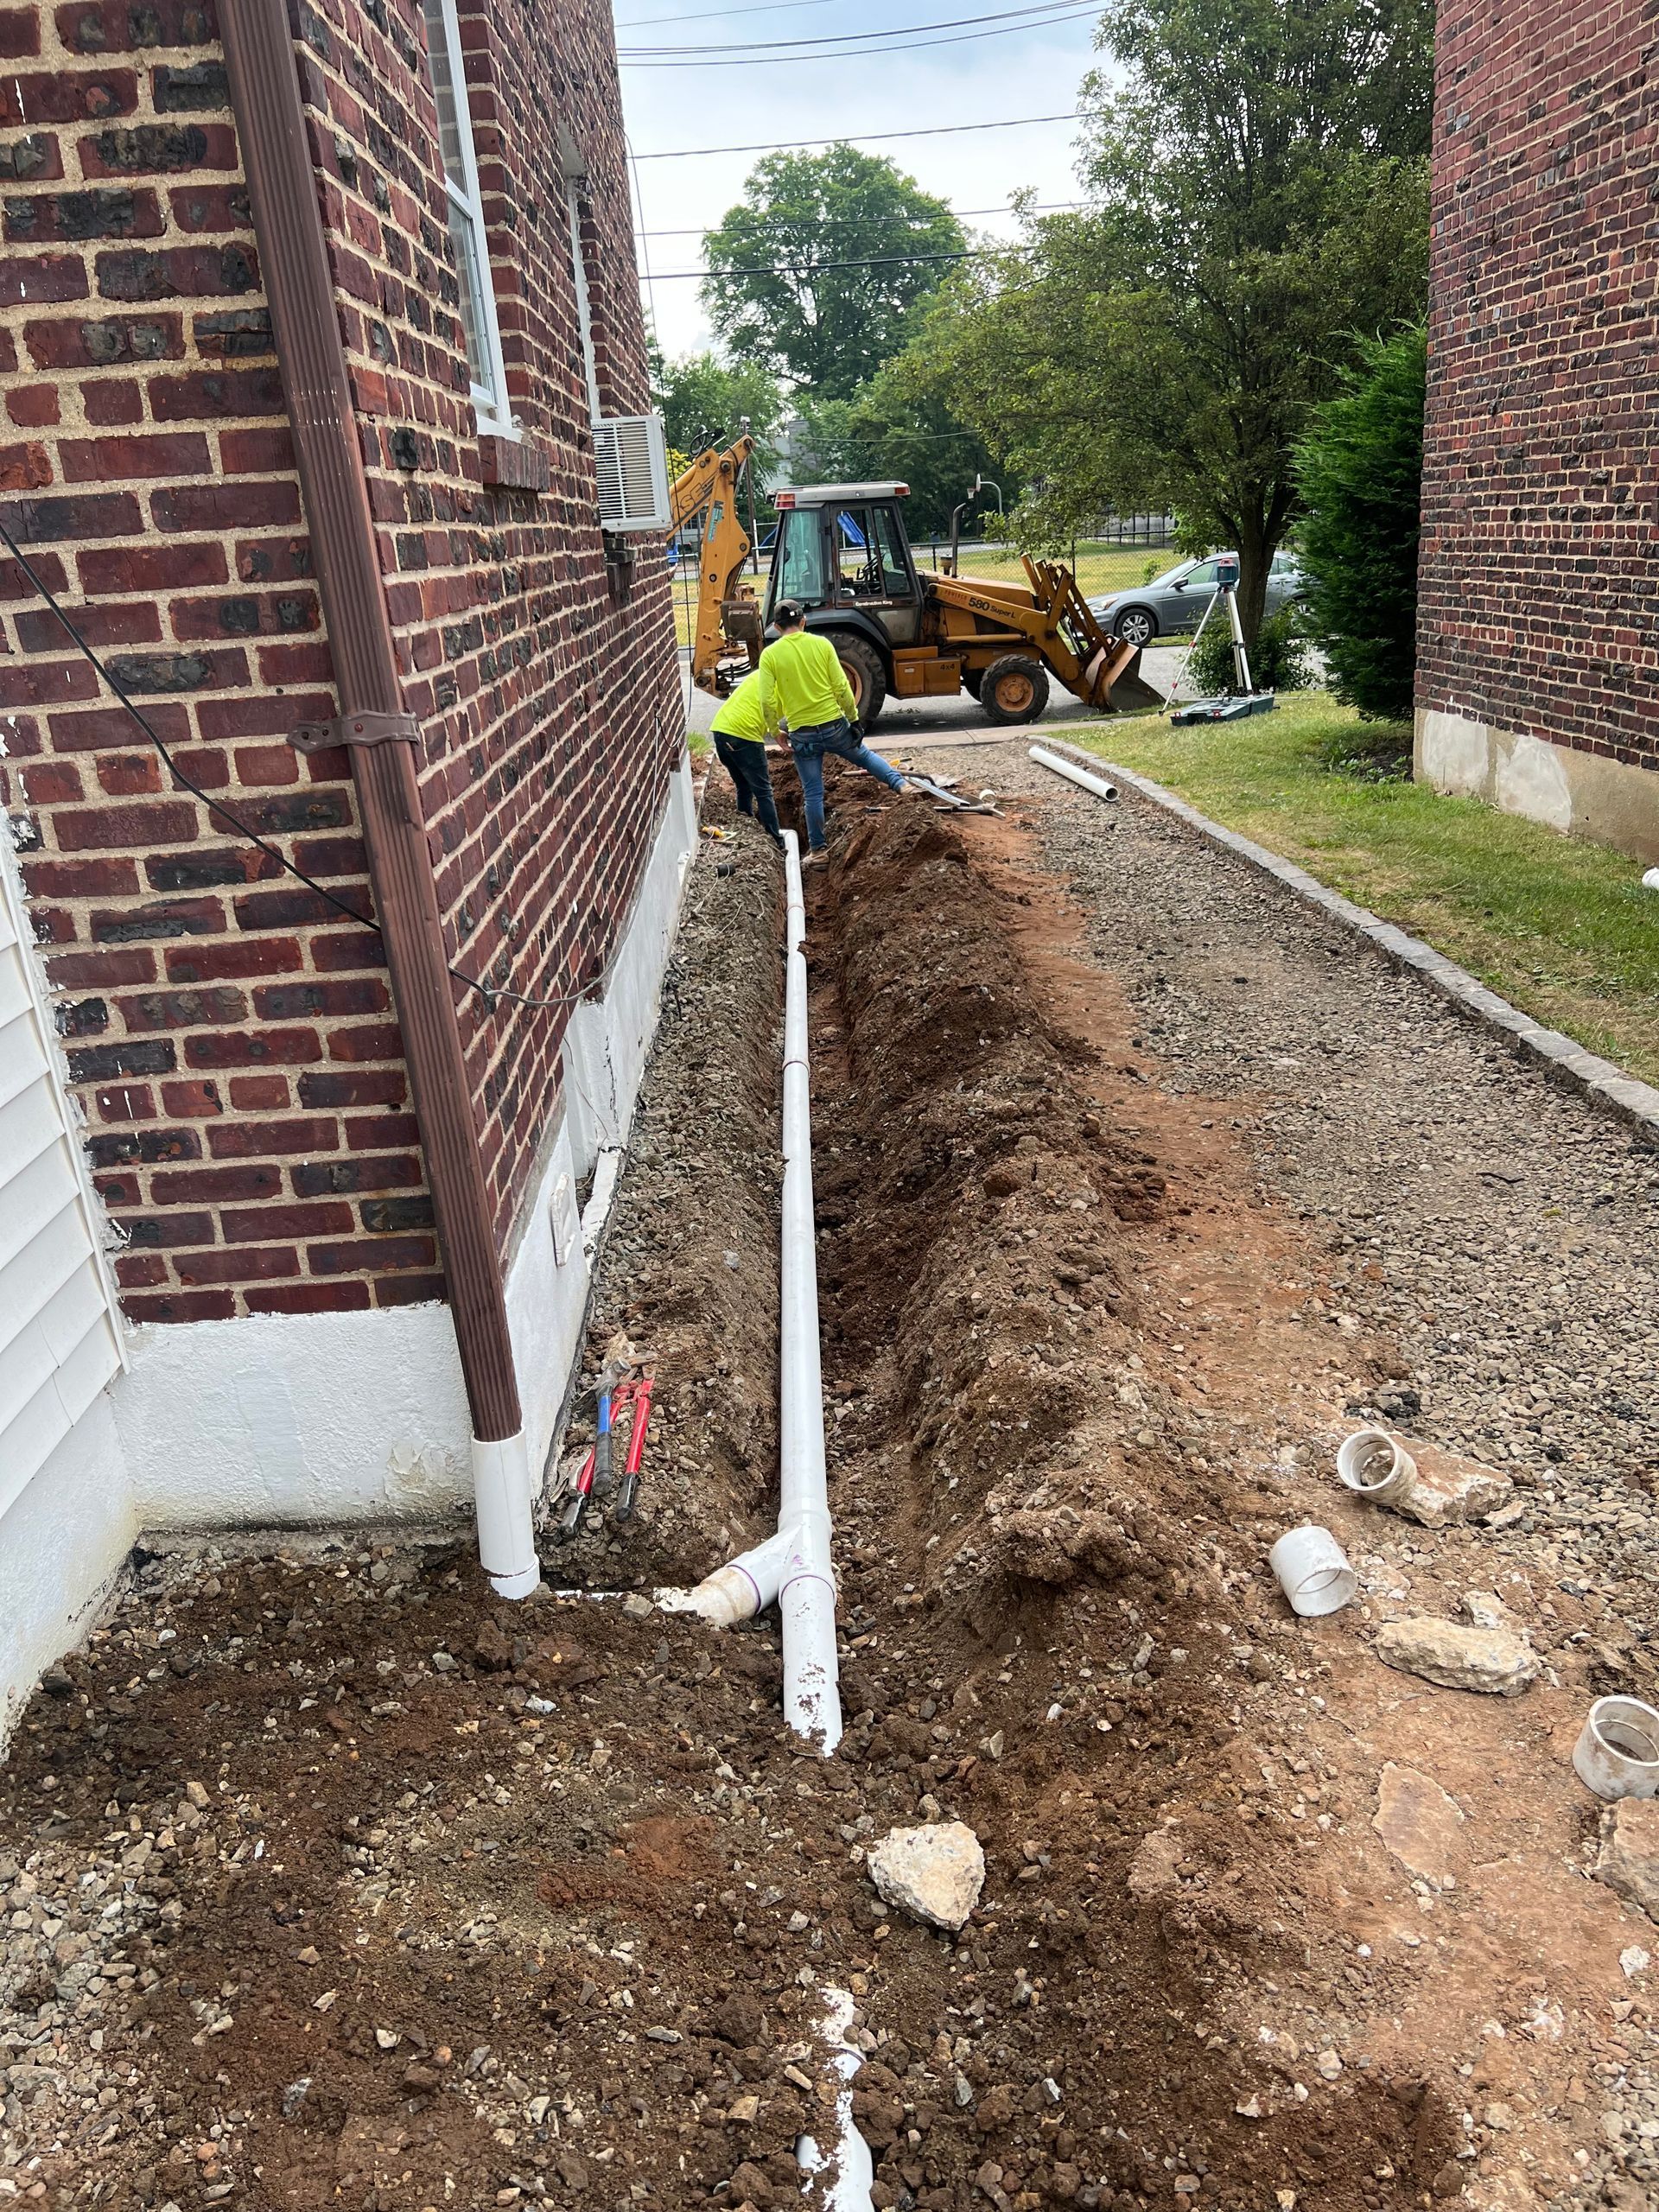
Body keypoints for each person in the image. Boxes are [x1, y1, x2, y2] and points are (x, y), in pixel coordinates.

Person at [758, 600, 909, 864]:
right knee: (862, 755)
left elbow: (767, 701)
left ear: (776, 627)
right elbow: (841, 687)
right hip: (834, 725)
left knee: (813, 792)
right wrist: (854, 721)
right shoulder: (823, 645)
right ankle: (901, 785)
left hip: (802, 734)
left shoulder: (770, 655)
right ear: (803, 621)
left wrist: (775, 731)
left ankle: (818, 851)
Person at [709, 666, 785, 849]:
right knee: (763, 791)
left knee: (743, 785)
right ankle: (776, 842)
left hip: (720, 730)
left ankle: (746, 823)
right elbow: (768, 710)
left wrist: (773, 730)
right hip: (743, 736)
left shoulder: (761, 675)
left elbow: (752, 707)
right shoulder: (788, 686)